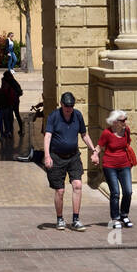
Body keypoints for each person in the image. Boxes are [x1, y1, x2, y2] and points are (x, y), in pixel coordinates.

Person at [44, 91, 99, 230]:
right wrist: (47, 156)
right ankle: (60, 219)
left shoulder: (78, 115)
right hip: (56, 156)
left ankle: (75, 219)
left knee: (78, 185)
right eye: (66, 106)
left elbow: (84, 135)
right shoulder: (54, 116)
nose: (69, 109)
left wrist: (93, 150)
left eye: (71, 106)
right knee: (60, 191)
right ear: (61, 104)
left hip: (73, 156)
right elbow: (48, 136)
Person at [95, 110, 135, 228]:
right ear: (115, 122)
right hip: (110, 165)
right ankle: (115, 218)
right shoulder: (107, 133)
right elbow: (99, 147)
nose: (125, 122)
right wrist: (95, 154)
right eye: (122, 120)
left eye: (125, 119)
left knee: (128, 191)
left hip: (124, 164)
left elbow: (127, 143)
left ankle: (124, 215)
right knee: (115, 193)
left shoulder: (126, 130)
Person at [0, 69, 23, 140]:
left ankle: (10, 130)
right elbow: (20, 92)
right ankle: (18, 129)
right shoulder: (13, 81)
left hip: (11, 101)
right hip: (14, 101)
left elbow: (3, 90)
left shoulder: (8, 81)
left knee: (10, 115)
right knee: (15, 115)